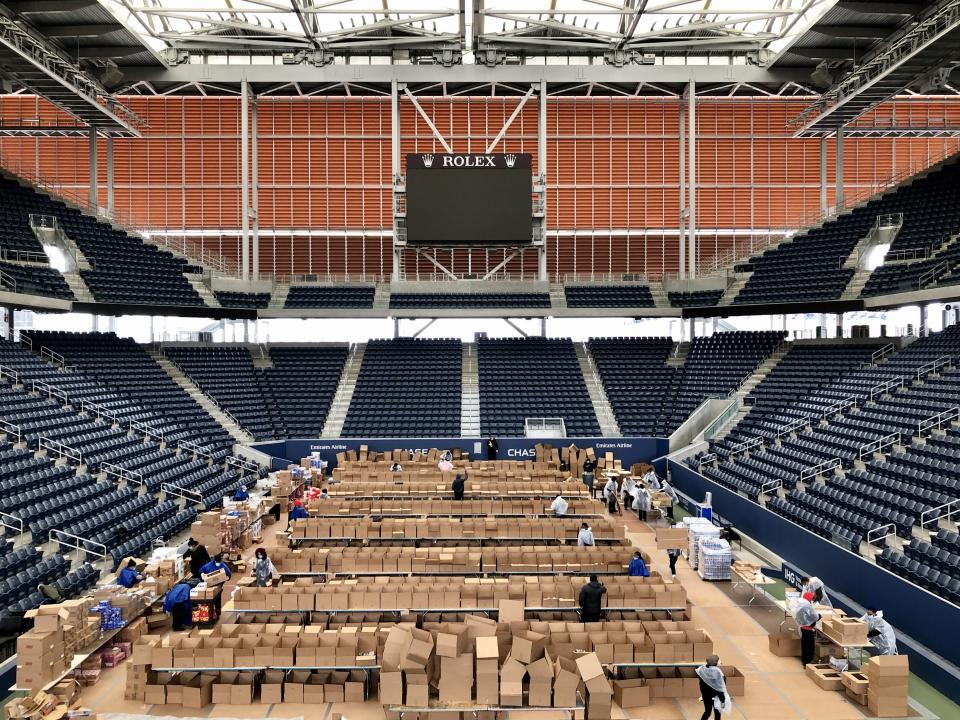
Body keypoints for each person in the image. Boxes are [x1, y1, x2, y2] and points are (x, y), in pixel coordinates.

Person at [792, 591, 821, 666]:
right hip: (808, 630)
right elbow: (815, 617)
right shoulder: (807, 607)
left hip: (802, 629)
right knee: (810, 646)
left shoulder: (800, 606)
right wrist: (819, 616)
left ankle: (804, 661)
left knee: (804, 645)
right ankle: (808, 662)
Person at [696, 655, 728, 720]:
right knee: (717, 713)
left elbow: (701, 685)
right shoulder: (718, 673)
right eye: (718, 661)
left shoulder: (702, 670)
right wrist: (722, 700)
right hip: (716, 697)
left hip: (706, 696)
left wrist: (703, 695)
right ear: (715, 663)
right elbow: (720, 689)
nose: (720, 662)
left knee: (707, 712)